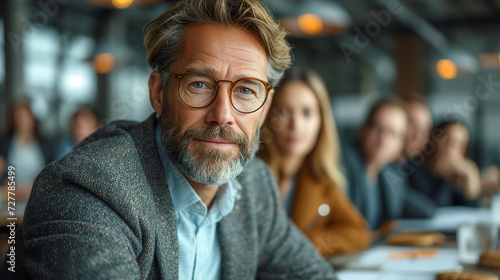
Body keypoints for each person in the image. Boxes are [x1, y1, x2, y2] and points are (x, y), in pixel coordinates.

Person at [2, 0, 337, 279]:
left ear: (264, 110)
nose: (222, 115)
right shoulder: (89, 189)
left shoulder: (255, 185)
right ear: (158, 93)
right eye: (199, 84)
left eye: (247, 90)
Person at [257, 67, 370, 256]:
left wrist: (306, 243)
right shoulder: (248, 173)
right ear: (268, 116)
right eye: (284, 112)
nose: (296, 125)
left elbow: (358, 233)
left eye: (307, 113)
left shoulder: (321, 181)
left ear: (321, 121)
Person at [342, 98, 432, 233]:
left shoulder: (388, 172)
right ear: (362, 129)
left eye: (393, 134)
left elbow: (426, 210)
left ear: (401, 143)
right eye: (377, 128)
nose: (383, 140)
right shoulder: (343, 165)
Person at [408, 121, 481, 207]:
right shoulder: (413, 167)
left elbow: (469, 209)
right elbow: (434, 207)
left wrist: (471, 175)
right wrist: (444, 177)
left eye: (460, 145)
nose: (451, 149)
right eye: (446, 141)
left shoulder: (457, 175)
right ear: (433, 140)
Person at [0, 100, 53, 201]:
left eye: (24, 117)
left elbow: (51, 172)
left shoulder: (45, 145)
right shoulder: (4, 143)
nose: (21, 122)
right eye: (18, 117)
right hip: (11, 198)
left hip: (39, 197)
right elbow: (3, 174)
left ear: (32, 118)